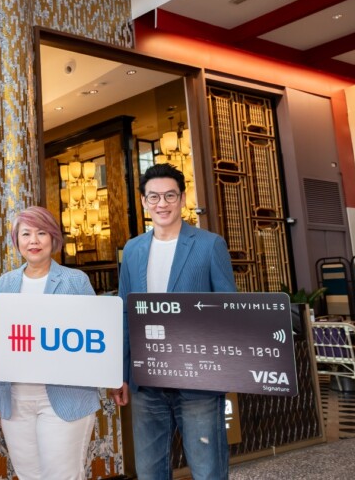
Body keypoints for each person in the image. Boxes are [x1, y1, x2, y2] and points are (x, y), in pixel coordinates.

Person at [109, 163, 236, 480]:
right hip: (147, 382)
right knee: (149, 472)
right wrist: (121, 373)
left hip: (199, 382)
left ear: (182, 198)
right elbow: (125, 313)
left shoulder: (210, 245)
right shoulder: (133, 249)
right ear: (143, 201)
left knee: (207, 470)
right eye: (153, 197)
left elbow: (228, 310)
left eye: (169, 195)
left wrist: (228, 368)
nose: (161, 203)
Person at [0, 206, 100, 480]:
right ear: (17, 241)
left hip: (65, 397)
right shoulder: (4, 284)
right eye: (26, 234)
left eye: (41, 233)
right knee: (28, 475)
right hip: (15, 401)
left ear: (53, 238)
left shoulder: (75, 282)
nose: (33, 241)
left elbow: (96, 337)